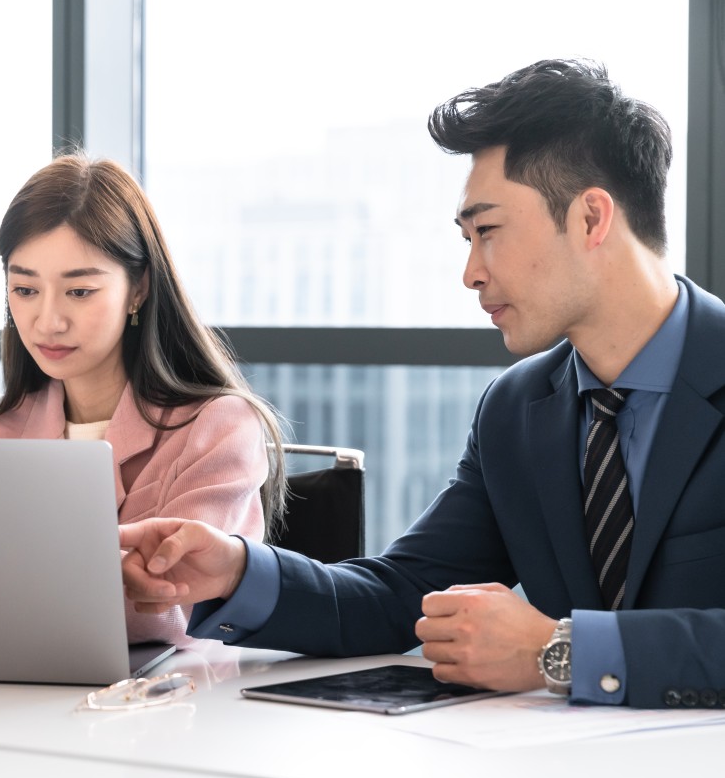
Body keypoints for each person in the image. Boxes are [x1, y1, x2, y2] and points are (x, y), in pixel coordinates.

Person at [121, 59, 725, 708]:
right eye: (467, 238)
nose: (471, 272)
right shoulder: (518, 411)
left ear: (591, 218)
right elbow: (398, 593)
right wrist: (239, 569)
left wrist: (558, 649)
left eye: (488, 231)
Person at [0, 154, 286, 646]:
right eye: (24, 289)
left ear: (138, 289)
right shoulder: (3, 424)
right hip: (23, 685)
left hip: (175, 701)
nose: (47, 320)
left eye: (79, 291)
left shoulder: (219, 428)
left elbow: (169, 601)